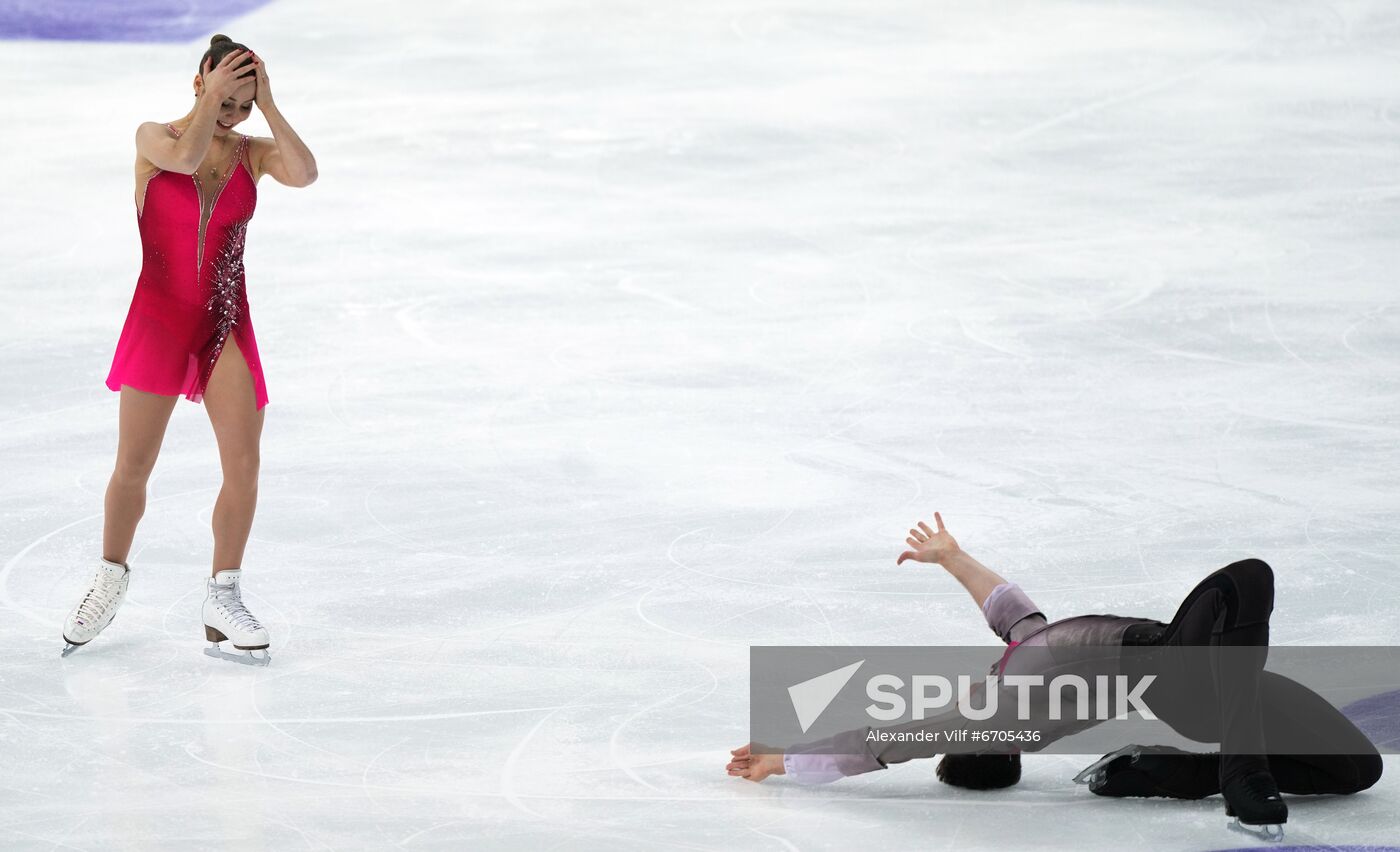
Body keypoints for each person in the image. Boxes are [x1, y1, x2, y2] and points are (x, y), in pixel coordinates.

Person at [727, 512, 1382, 840]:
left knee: (1356, 770)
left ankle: (1178, 773)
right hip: (1176, 675)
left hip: (1220, 673)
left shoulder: (1018, 649)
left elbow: (1011, 608)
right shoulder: (1002, 716)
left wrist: (952, 557)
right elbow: (886, 740)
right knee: (1249, 579)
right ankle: (1242, 776)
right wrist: (784, 759)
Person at [61, 34, 318, 666]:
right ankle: (110, 575)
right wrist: (213, 101)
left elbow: (306, 173)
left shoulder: (252, 154)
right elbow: (182, 159)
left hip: (225, 321)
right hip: (160, 319)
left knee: (244, 463)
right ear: (198, 82)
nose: (233, 116)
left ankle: (222, 595)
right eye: (225, 100)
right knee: (134, 465)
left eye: (243, 107)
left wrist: (271, 103)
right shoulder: (155, 138)